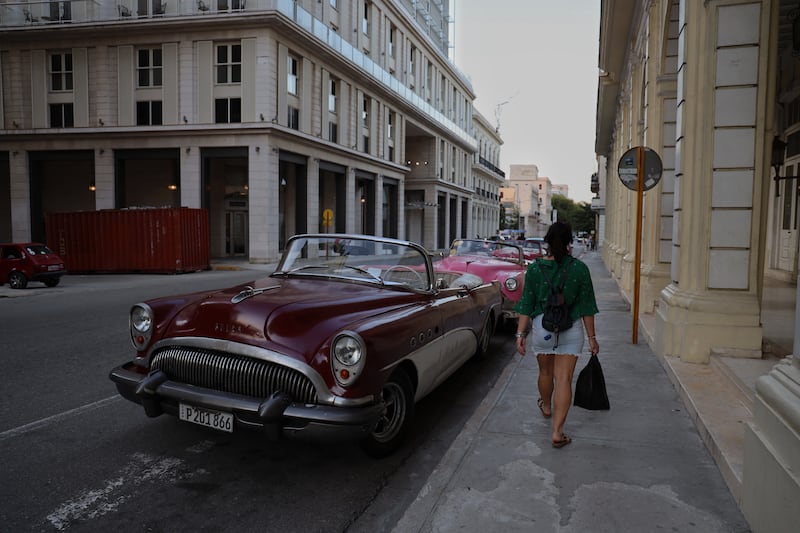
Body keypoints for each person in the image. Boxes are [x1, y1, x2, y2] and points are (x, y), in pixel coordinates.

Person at [514, 221, 599, 449]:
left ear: (547, 242)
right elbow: (587, 308)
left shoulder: (535, 269)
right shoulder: (579, 269)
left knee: (545, 372)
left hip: (543, 328)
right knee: (564, 379)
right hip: (571, 329)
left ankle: (546, 406)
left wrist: (520, 334)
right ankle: (557, 432)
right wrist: (592, 338)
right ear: (570, 241)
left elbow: (526, 304)